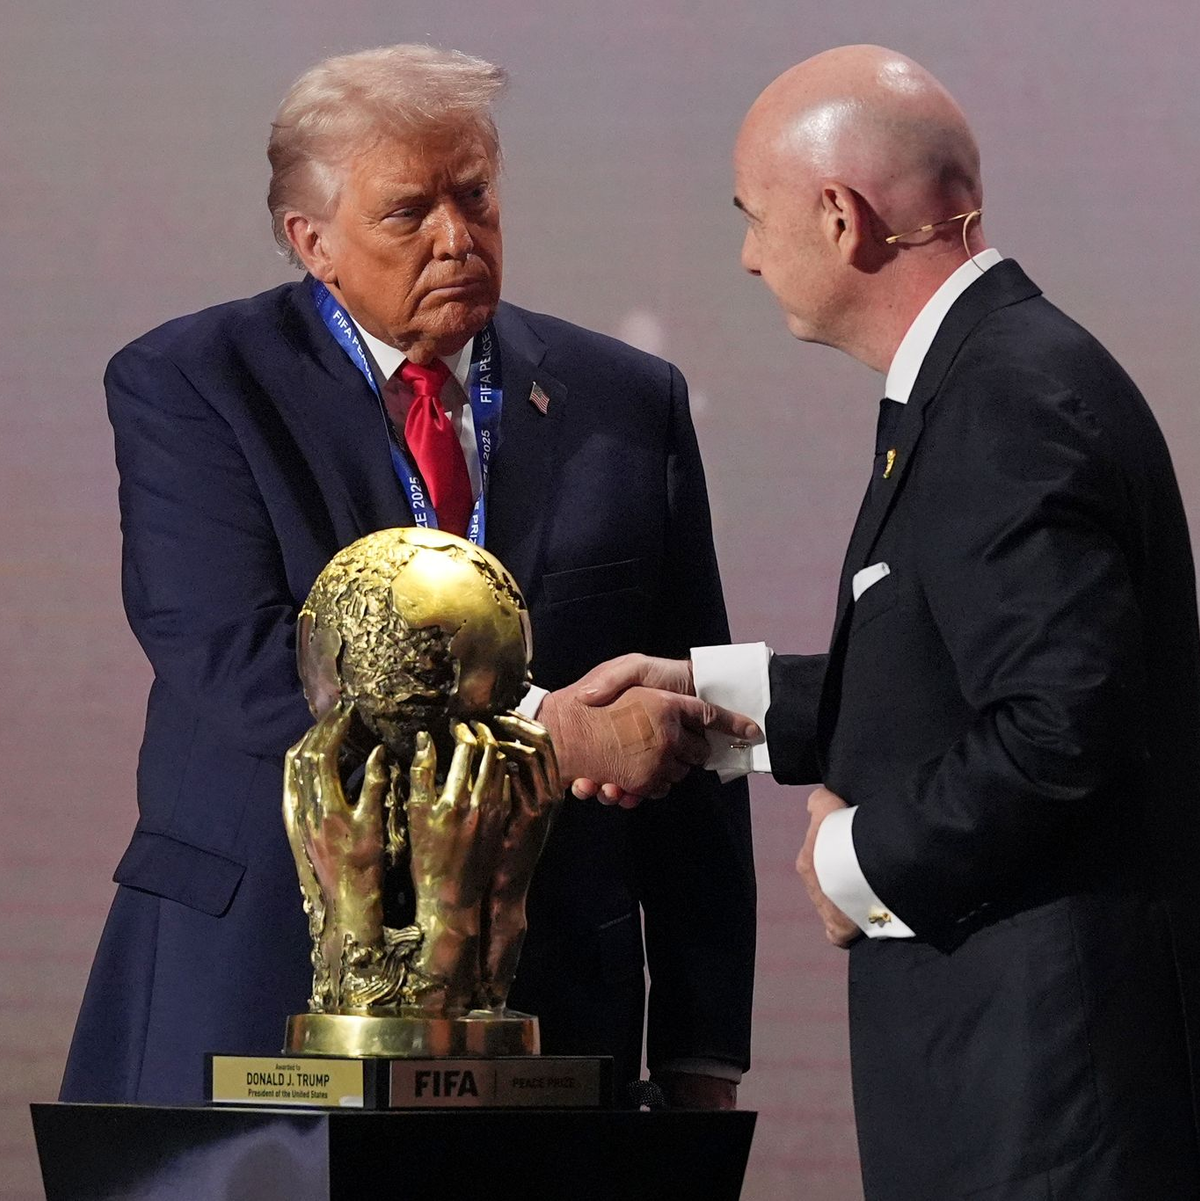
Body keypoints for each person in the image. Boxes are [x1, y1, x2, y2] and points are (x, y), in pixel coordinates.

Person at [59, 44, 758, 1112]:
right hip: (255, 985)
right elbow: (246, 666)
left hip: (552, 990)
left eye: (474, 196)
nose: (457, 238)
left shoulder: (626, 401)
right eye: (408, 212)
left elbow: (685, 718)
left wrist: (705, 1047)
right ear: (313, 241)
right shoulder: (192, 385)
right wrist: (549, 734)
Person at [583, 44, 1200, 1199]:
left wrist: (853, 856)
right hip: (1016, 1077)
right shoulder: (988, 371)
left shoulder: (1005, 398)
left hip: (1046, 1098)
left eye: (754, 219)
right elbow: (953, 668)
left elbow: (1064, 725)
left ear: (839, 217)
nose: (749, 255)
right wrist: (717, 707)